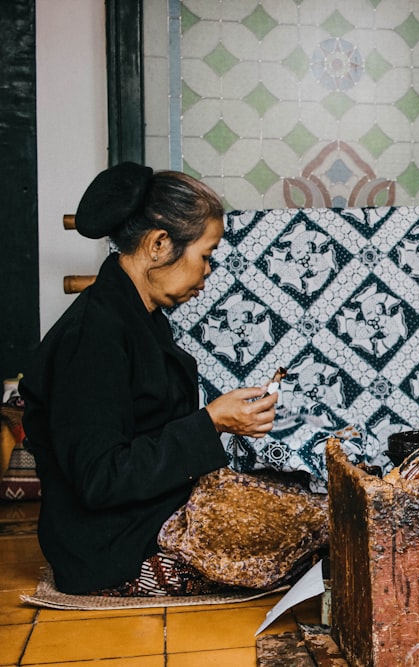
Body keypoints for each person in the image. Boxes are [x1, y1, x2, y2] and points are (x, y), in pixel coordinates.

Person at [20, 163, 281, 596]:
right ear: (160, 244)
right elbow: (100, 477)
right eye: (206, 255)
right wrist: (211, 422)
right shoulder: (94, 335)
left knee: (310, 507)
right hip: (113, 546)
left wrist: (217, 422)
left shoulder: (138, 316)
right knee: (310, 536)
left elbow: (147, 431)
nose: (209, 271)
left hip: (144, 516)